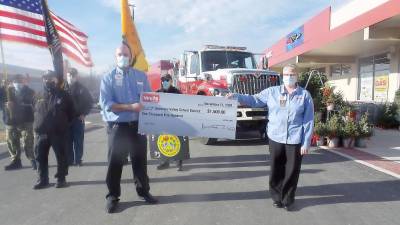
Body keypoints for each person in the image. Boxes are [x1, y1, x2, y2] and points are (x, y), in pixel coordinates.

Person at [228, 64, 314, 211]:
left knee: (292, 171)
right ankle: (276, 197)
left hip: (295, 139)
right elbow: (254, 100)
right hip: (275, 137)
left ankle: (288, 199)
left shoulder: (304, 95)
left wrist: (306, 142)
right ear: (282, 76)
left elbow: (308, 120)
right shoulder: (272, 92)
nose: (289, 77)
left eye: (292, 74)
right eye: (286, 74)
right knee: (276, 169)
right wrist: (236, 96)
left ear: (297, 76)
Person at [99, 44, 158, 213]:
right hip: (118, 127)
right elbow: (106, 104)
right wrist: (130, 107)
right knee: (115, 162)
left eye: (126, 54)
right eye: (119, 54)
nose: (123, 57)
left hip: (138, 125)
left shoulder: (140, 76)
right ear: (115, 57)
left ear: (131, 57)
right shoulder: (108, 78)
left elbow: (150, 98)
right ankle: (112, 196)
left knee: (140, 161)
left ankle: (144, 191)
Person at [33, 71, 75, 189]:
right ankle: (43, 179)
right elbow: (34, 111)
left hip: (58, 133)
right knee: (40, 157)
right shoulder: (38, 95)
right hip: (41, 133)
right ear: (42, 79)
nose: (48, 80)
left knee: (61, 156)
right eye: (45, 78)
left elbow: (72, 113)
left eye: (50, 78)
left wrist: (63, 125)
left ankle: (61, 179)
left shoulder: (64, 95)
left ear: (55, 79)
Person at [3, 74, 36, 170]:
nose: (18, 83)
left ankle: (32, 159)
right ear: (12, 82)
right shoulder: (6, 91)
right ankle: (15, 161)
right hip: (11, 120)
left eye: (20, 81)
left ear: (24, 81)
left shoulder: (29, 91)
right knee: (12, 141)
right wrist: (6, 105)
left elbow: (30, 102)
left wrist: (16, 105)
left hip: (26, 120)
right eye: (16, 81)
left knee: (28, 140)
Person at [155, 74, 185, 171]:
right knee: (163, 141)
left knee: (177, 141)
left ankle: (179, 163)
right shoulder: (158, 92)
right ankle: (165, 162)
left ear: (171, 81)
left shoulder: (177, 92)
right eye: (163, 80)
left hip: (176, 121)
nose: (165, 82)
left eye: (167, 80)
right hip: (163, 122)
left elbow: (185, 105)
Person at [66, 68, 94, 166]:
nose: (70, 77)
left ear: (76, 76)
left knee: (78, 141)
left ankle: (78, 160)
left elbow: (90, 102)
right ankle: (69, 160)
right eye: (69, 75)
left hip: (78, 119)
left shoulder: (82, 88)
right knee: (68, 141)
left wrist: (84, 114)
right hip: (66, 120)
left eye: (73, 75)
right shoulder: (63, 88)